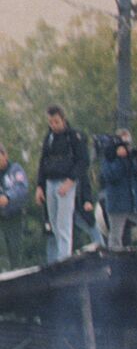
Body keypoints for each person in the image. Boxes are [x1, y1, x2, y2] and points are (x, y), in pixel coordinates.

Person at [35, 105, 89, 263]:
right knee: (54, 223)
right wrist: (39, 185)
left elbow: (83, 161)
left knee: (64, 223)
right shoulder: (49, 138)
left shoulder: (74, 137)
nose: (53, 125)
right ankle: (60, 256)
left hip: (66, 183)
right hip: (50, 182)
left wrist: (71, 181)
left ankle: (64, 259)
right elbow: (43, 161)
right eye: (51, 122)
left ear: (63, 120)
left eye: (56, 122)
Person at [100, 129, 137, 250]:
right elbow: (110, 175)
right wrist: (120, 159)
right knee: (116, 235)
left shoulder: (132, 157)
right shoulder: (110, 157)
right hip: (117, 203)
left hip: (135, 202)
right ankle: (115, 258)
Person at [0, 143, 30, 271]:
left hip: (14, 216)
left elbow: (22, 188)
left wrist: (8, 197)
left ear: (5, 155)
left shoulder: (15, 169)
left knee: (15, 250)